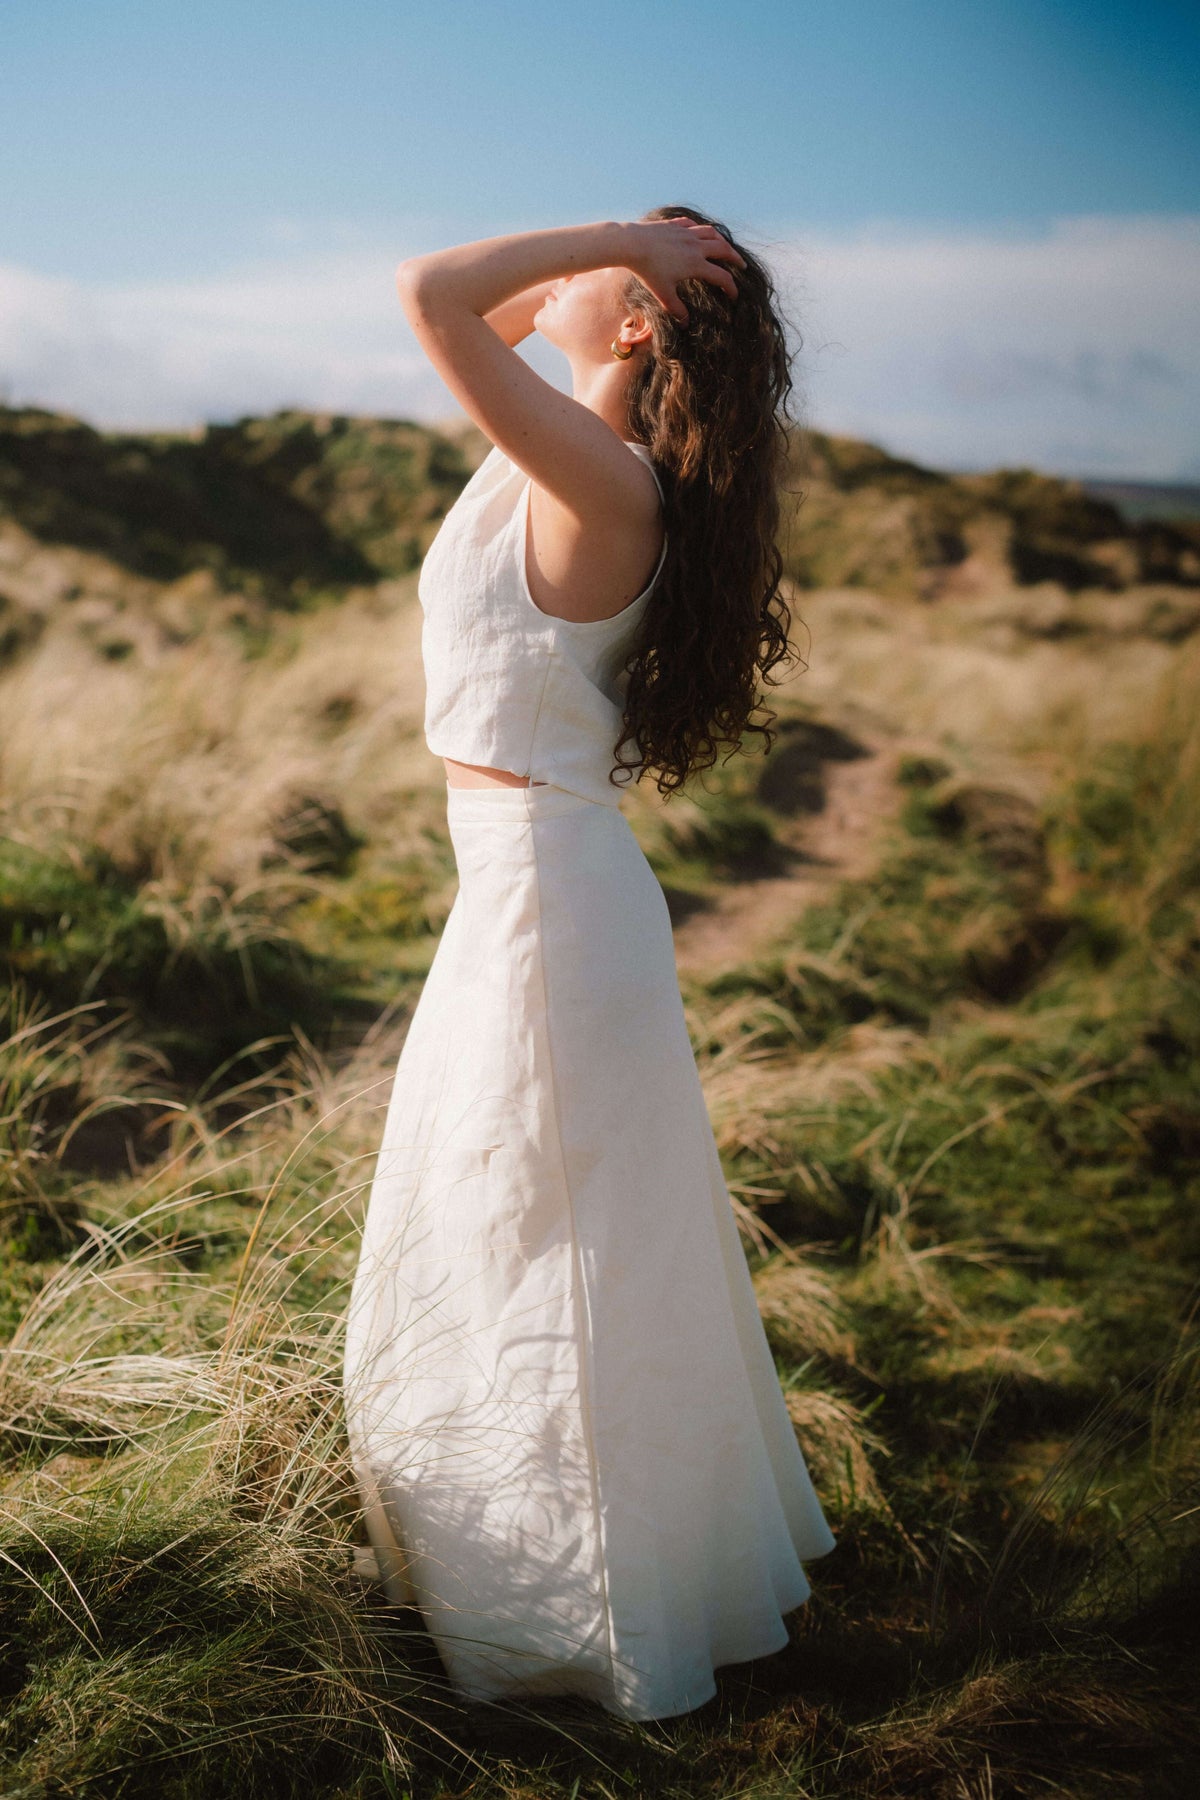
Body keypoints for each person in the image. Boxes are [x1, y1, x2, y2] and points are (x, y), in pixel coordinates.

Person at [342, 206, 836, 1723]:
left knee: (540, 1249)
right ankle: (561, 1562)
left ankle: (577, 1619)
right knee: (534, 1235)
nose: (601, 259)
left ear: (642, 329)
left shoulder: (601, 476)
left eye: (641, 271)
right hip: (529, 892)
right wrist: (606, 283)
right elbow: (467, 328)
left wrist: (624, 236)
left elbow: (432, 291)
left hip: (545, 907)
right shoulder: (566, 446)